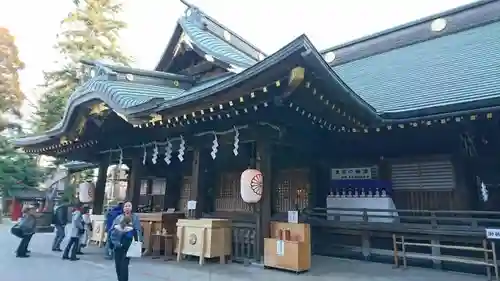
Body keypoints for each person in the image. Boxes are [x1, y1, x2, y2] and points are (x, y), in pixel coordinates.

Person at [110, 202, 142, 281]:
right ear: (123, 208)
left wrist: (132, 232)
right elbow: (112, 229)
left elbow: (138, 230)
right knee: (118, 266)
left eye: (129, 206)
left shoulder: (135, 218)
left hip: (128, 244)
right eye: (126, 206)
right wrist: (118, 230)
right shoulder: (118, 218)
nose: (127, 207)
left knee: (124, 265)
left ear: (131, 208)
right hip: (118, 243)